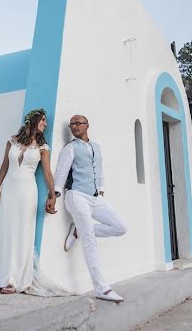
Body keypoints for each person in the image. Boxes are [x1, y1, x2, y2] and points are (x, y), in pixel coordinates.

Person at [54, 114, 128, 302]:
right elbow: (61, 172)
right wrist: (55, 194)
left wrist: (101, 189)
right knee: (90, 242)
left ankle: (79, 231)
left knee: (120, 227)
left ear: (87, 125)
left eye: (78, 123)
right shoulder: (70, 148)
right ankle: (102, 289)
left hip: (95, 198)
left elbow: (100, 169)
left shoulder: (96, 147)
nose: (74, 127)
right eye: (71, 124)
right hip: (76, 196)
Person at [0, 108, 57, 294]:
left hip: (28, 191)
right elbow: (4, 164)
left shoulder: (43, 147)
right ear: (33, 121)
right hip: (10, 188)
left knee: (22, 232)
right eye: (43, 120)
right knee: (6, 231)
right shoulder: (12, 141)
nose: (45, 124)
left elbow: (47, 173)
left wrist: (52, 195)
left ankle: (15, 280)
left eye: (46, 121)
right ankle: (0, 277)